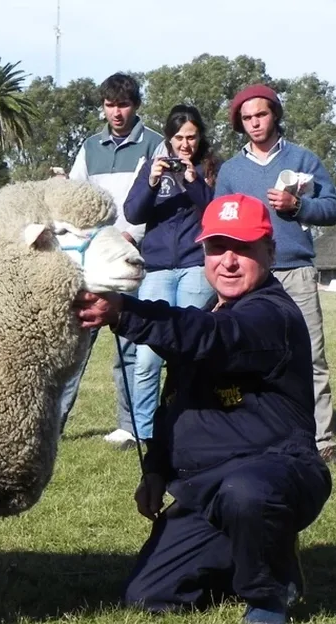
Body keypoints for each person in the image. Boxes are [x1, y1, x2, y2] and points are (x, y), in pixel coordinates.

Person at [76, 194, 331, 624]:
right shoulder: (212, 312)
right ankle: (254, 550)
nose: (228, 261)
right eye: (217, 249)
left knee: (246, 492)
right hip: (206, 489)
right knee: (148, 596)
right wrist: (155, 471)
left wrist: (123, 312)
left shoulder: (272, 316)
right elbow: (175, 404)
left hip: (276, 472)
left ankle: (268, 591)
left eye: (243, 248)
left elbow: (210, 338)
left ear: (270, 252)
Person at [215, 84, 336, 462]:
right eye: (247, 118)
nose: (255, 123)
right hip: (246, 277)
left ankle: (321, 441)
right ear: (240, 123)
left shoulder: (303, 159)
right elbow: (219, 225)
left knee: (311, 357)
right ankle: (251, 431)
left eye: (261, 115)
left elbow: (332, 209)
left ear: (275, 115)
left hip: (296, 270)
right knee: (244, 356)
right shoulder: (231, 171)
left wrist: (298, 204)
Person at [61, 72, 164, 448]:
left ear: (135, 105)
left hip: (136, 260)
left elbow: (158, 201)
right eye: (109, 105)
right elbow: (75, 199)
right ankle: (53, 424)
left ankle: (130, 425)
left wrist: (130, 236)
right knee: (76, 346)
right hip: (93, 264)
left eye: (123, 104)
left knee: (132, 349)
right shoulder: (89, 147)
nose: (116, 112)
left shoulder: (156, 144)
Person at [123, 105, 217, 443]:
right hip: (158, 269)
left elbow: (216, 212)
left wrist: (193, 182)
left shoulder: (209, 168)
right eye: (178, 138)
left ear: (200, 137)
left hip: (195, 266)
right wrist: (151, 180)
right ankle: (144, 432)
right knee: (148, 355)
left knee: (186, 351)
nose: (185, 145)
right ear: (168, 138)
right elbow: (133, 213)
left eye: (191, 137)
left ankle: (187, 424)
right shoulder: (152, 166)